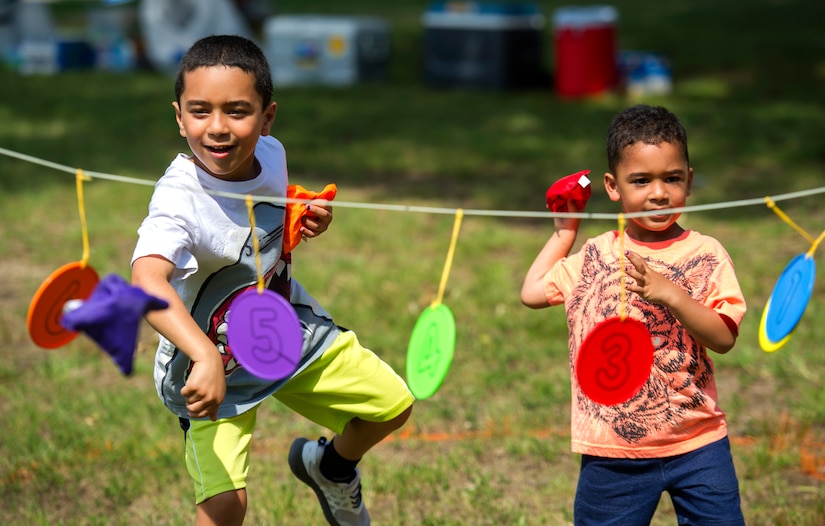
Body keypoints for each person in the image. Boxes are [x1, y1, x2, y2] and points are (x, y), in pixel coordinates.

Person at [131, 35, 414, 526]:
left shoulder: (271, 152)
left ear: (267, 118)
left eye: (237, 111)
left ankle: (330, 468)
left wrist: (299, 214)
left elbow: (264, 209)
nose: (217, 128)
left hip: (284, 332)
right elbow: (145, 282)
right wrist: (201, 356)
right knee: (224, 507)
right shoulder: (178, 202)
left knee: (391, 405)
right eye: (200, 111)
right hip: (215, 364)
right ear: (178, 116)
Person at [520, 104, 747, 525]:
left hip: (698, 444)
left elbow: (724, 337)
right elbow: (532, 292)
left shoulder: (706, 254)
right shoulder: (596, 254)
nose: (658, 193)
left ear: (690, 180)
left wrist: (672, 296)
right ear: (613, 186)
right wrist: (564, 233)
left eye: (672, 178)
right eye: (641, 181)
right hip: (613, 453)